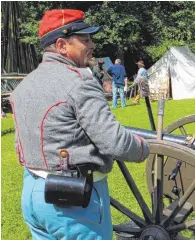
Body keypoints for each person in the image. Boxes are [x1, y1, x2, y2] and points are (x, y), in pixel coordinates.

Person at [10, 9, 150, 239]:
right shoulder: (80, 82)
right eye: (85, 40)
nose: (92, 45)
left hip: (33, 193)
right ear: (62, 45)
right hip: (73, 200)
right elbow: (114, 142)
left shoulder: (25, 85)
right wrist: (145, 147)